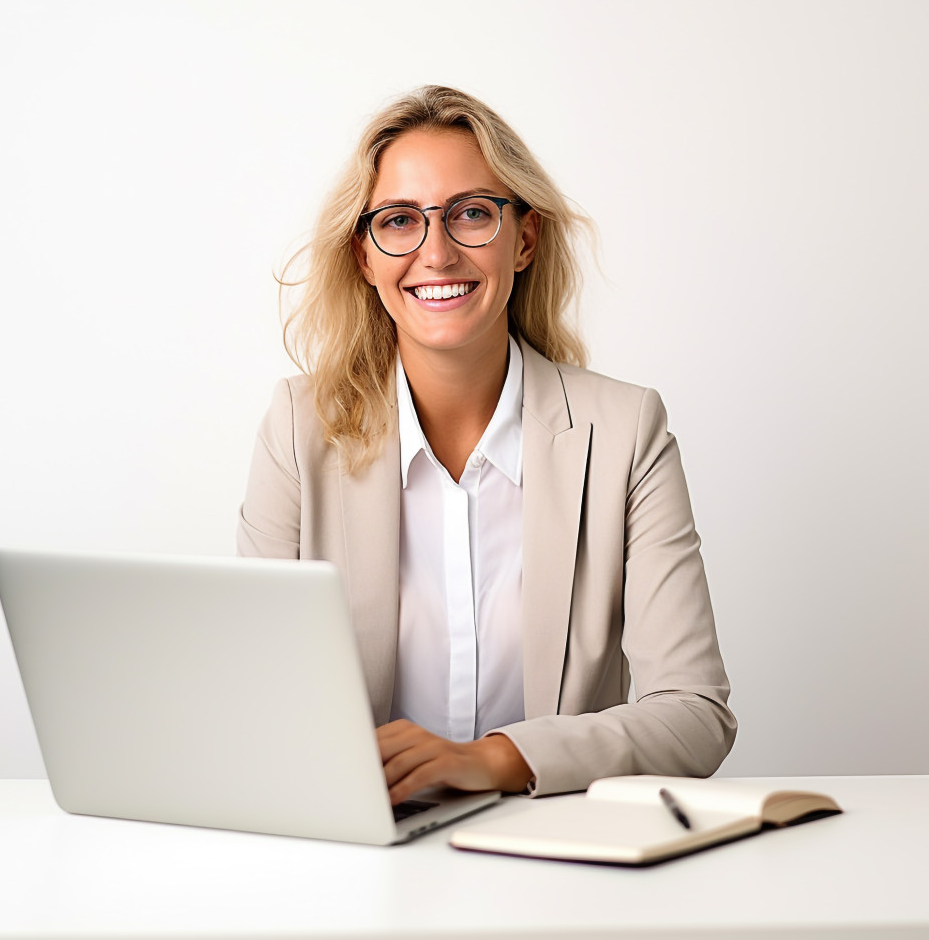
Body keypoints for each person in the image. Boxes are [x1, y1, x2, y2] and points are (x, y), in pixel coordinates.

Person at [237, 85, 736, 803]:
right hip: (362, 860)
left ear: (523, 238)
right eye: (400, 221)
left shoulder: (625, 432)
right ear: (366, 256)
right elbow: (256, 700)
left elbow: (695, 714)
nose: (436, 253)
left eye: (471, 213)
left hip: (562, 862)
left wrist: (497, 760)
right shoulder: (297, 427)